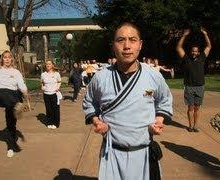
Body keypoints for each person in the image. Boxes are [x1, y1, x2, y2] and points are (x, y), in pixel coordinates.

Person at [83, 22, 173, 180]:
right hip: (111, 154)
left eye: (132, 40)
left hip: (144, 153)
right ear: (113, 45)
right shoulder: (100, 77)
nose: (127, 46)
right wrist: (96, 121)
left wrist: (158, 120)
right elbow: (89, 102)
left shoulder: (153, 76)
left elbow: (164, 100)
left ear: (140, 44)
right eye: (120, 40)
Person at [176, 28, 211, 132]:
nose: (194, 53)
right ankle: (190, 126)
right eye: (192, 51)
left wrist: (205, 34)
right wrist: (184, 35)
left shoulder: (202, 58)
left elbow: (209, 46)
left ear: (198, 52)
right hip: (189, 87)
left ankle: (195, 126)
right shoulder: (186, 59)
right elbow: (178, 48)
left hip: (200, 86)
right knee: (190, 108)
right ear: (190, 52)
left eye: (196, 51)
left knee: (197, 108)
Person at [41, 59, 62, 129]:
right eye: (47, 64)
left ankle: (56, 123)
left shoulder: (57, 74)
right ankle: (50, 122)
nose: (48, 65)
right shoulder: (43, 74)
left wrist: (58, 87)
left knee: (55, 109)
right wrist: (42, 87)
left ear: (52, 65)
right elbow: (42, 82)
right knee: (48, 109)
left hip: (54, 94)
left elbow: (59, 81)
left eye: (49, 64)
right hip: (46, 94)